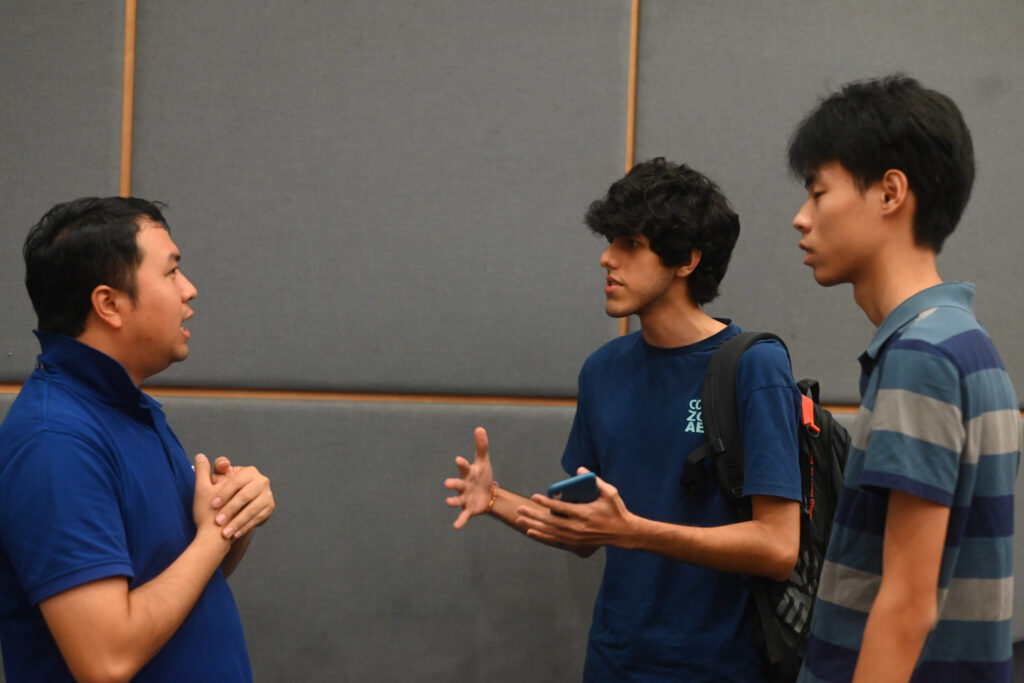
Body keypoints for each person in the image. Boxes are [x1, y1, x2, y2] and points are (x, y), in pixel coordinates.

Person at [445, 158, 803, 681]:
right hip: (613, 663)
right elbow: (588, 534)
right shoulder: (603, 370)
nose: (606, 258)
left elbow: (778, 547)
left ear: (686, 260)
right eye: (609, 240)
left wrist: (635, 532)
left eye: (630, 244)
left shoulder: (754, 366)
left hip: (718, 668)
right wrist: (495, 497)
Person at [788, 75, 1019, 682]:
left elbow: (907, 606)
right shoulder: (963, 341)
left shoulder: (923, 357)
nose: (801, 218)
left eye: (818, 192)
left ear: (891, 192)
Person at [0, 197, 276, 682]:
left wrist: (231, 517)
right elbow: (106, 659)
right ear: (109, 304)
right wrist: (212, 540)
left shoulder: (123, 408)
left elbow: (173, 582)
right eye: (171, 272)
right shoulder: (55, 442)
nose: (189, 290)